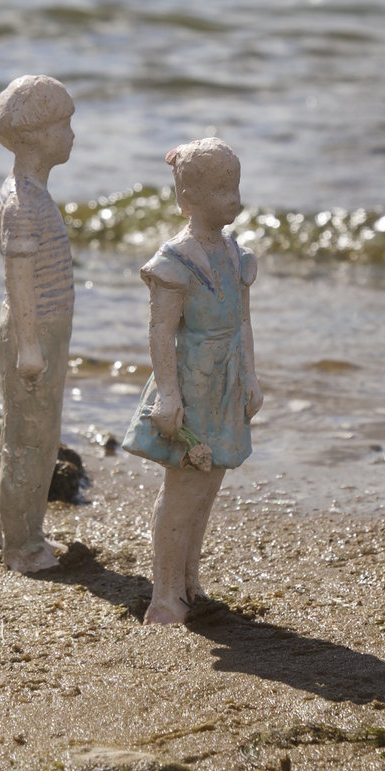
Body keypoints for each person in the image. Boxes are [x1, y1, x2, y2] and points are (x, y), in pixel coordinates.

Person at [123, 138, 263, 623]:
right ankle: (164, 592)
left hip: (225, 381)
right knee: (183, 488)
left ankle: (188, 578)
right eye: (221, 190)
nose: (233, 199)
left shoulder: (237, 256)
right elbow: (161, 331)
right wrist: (168, 394)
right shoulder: (175, 262)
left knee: (208, 486)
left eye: (235, 187)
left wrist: (250, 378)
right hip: (190, 384)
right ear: (188, 197)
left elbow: (243, 322)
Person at [0, 74, 76, 573]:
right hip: (34, 331)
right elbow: (18, 276)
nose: (71, 136)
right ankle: (21, 545)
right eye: (63, 126)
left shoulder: (34, 194)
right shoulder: (23, 202)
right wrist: (28, 346)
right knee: (29, 440)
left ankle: (28, 531)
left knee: (40, 435)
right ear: (33, 136)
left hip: (47, 327)